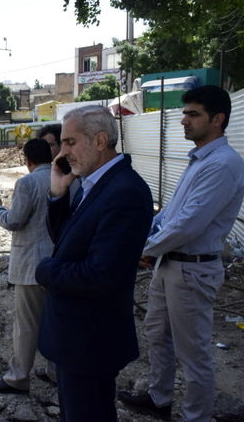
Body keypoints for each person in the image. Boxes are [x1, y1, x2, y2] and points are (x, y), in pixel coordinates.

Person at [118, 85, 244, 422]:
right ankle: (159, 399)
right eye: (184, 113)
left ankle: (196, 416)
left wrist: (139, 252)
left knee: (193, 352)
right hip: (170, 264)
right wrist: (144, 241)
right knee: (157, 333)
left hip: (192, 270)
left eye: (193, 114)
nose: (184, 121)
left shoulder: (223, 164)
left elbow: (188, 225)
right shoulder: (199, 159)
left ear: (218, 119)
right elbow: (169, 214)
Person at [36, 105, 153, 421]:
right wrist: (58, 195)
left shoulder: (124, 192)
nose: (63, 152)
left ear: (100, 140)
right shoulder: (95, 184)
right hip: (78, 337)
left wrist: (45, 270)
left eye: (71, 142)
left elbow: (99, 275)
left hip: (90, 339)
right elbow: (68, 242)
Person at [0, 138, 55, 394]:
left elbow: (15, 221)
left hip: (31, 266)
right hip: (57, 263)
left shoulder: (27, 182)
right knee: (54, 320)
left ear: (28, 160)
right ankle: (53, 372)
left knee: (26, 325)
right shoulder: (65, 178)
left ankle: (18, 377)